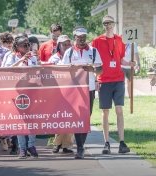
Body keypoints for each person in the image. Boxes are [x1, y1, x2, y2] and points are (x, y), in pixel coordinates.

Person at [92, 15, 136, 154]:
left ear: (114, 24)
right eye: (105, 23)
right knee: (105, 112)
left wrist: (129, 63)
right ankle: (106, 143)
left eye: (110, 23)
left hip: (118, 80)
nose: (108, 25)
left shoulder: (120, 40)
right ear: (103, 25)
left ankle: (122, 142)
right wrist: (95, 78)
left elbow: (120, 58)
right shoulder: (97, 41)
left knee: (119, 110)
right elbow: (94, 62)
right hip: (104, 81)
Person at [61, 27, 103, 159]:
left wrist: (92, 69)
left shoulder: (93, 51)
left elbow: (100, 69)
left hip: (89, 89)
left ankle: (81, 145)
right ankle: (80, 147)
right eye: (79, 37)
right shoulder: (69, 52)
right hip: (74, 90)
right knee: (76, 118)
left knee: (86, 118)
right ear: (75, 37)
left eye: (84, 36)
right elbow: (63, 71)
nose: (82, 39)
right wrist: (70, 70)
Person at [2, 35, 39, 159]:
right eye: (24, 45)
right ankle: (22, 148)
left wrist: (38, 62)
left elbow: (38, 70)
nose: (27, 47)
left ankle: (31, 145)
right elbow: (5, 70)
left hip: (31, 90)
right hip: (16, 92)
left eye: (28, 44)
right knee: (20, 120)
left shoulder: (33, 56)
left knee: (32, 119)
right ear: (17, 46)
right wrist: (21, 59)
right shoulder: (11, 56)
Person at [46, 35, 74, 154]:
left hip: (72, 91)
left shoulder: (74, 56)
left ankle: (67, 145)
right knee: (59, 117)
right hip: (57, 92)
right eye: (64, 44)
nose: (66, 46)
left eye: (68, 44)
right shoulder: (53, 59)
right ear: (59, 46)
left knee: (70, 118)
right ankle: (57, 144)